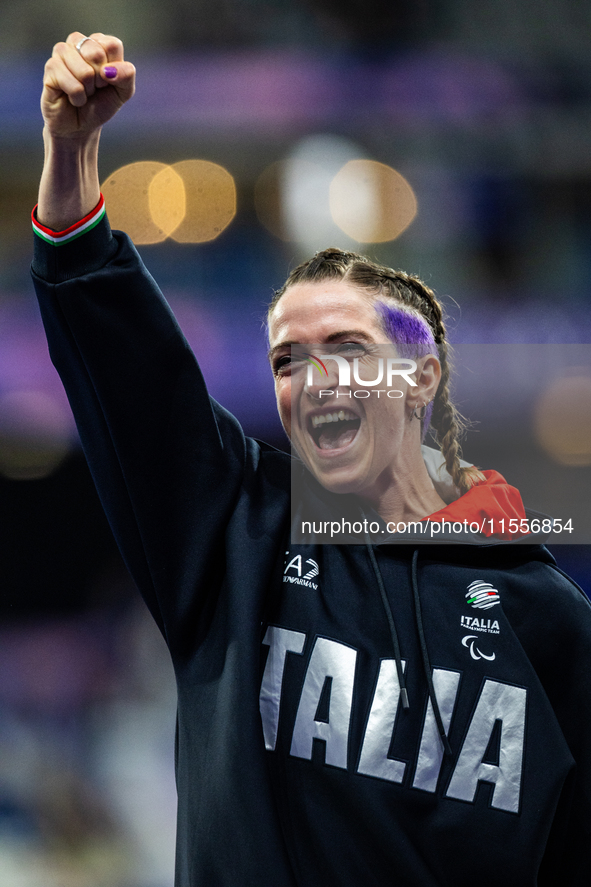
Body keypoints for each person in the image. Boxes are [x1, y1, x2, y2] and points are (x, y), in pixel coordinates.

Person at [31, 33, 591, 887]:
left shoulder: (546, 620)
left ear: (419, 378)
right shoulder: (234, 534)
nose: (311, 376)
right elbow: (131, 371)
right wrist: (71, 156)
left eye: (343, 346)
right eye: (287, 359)